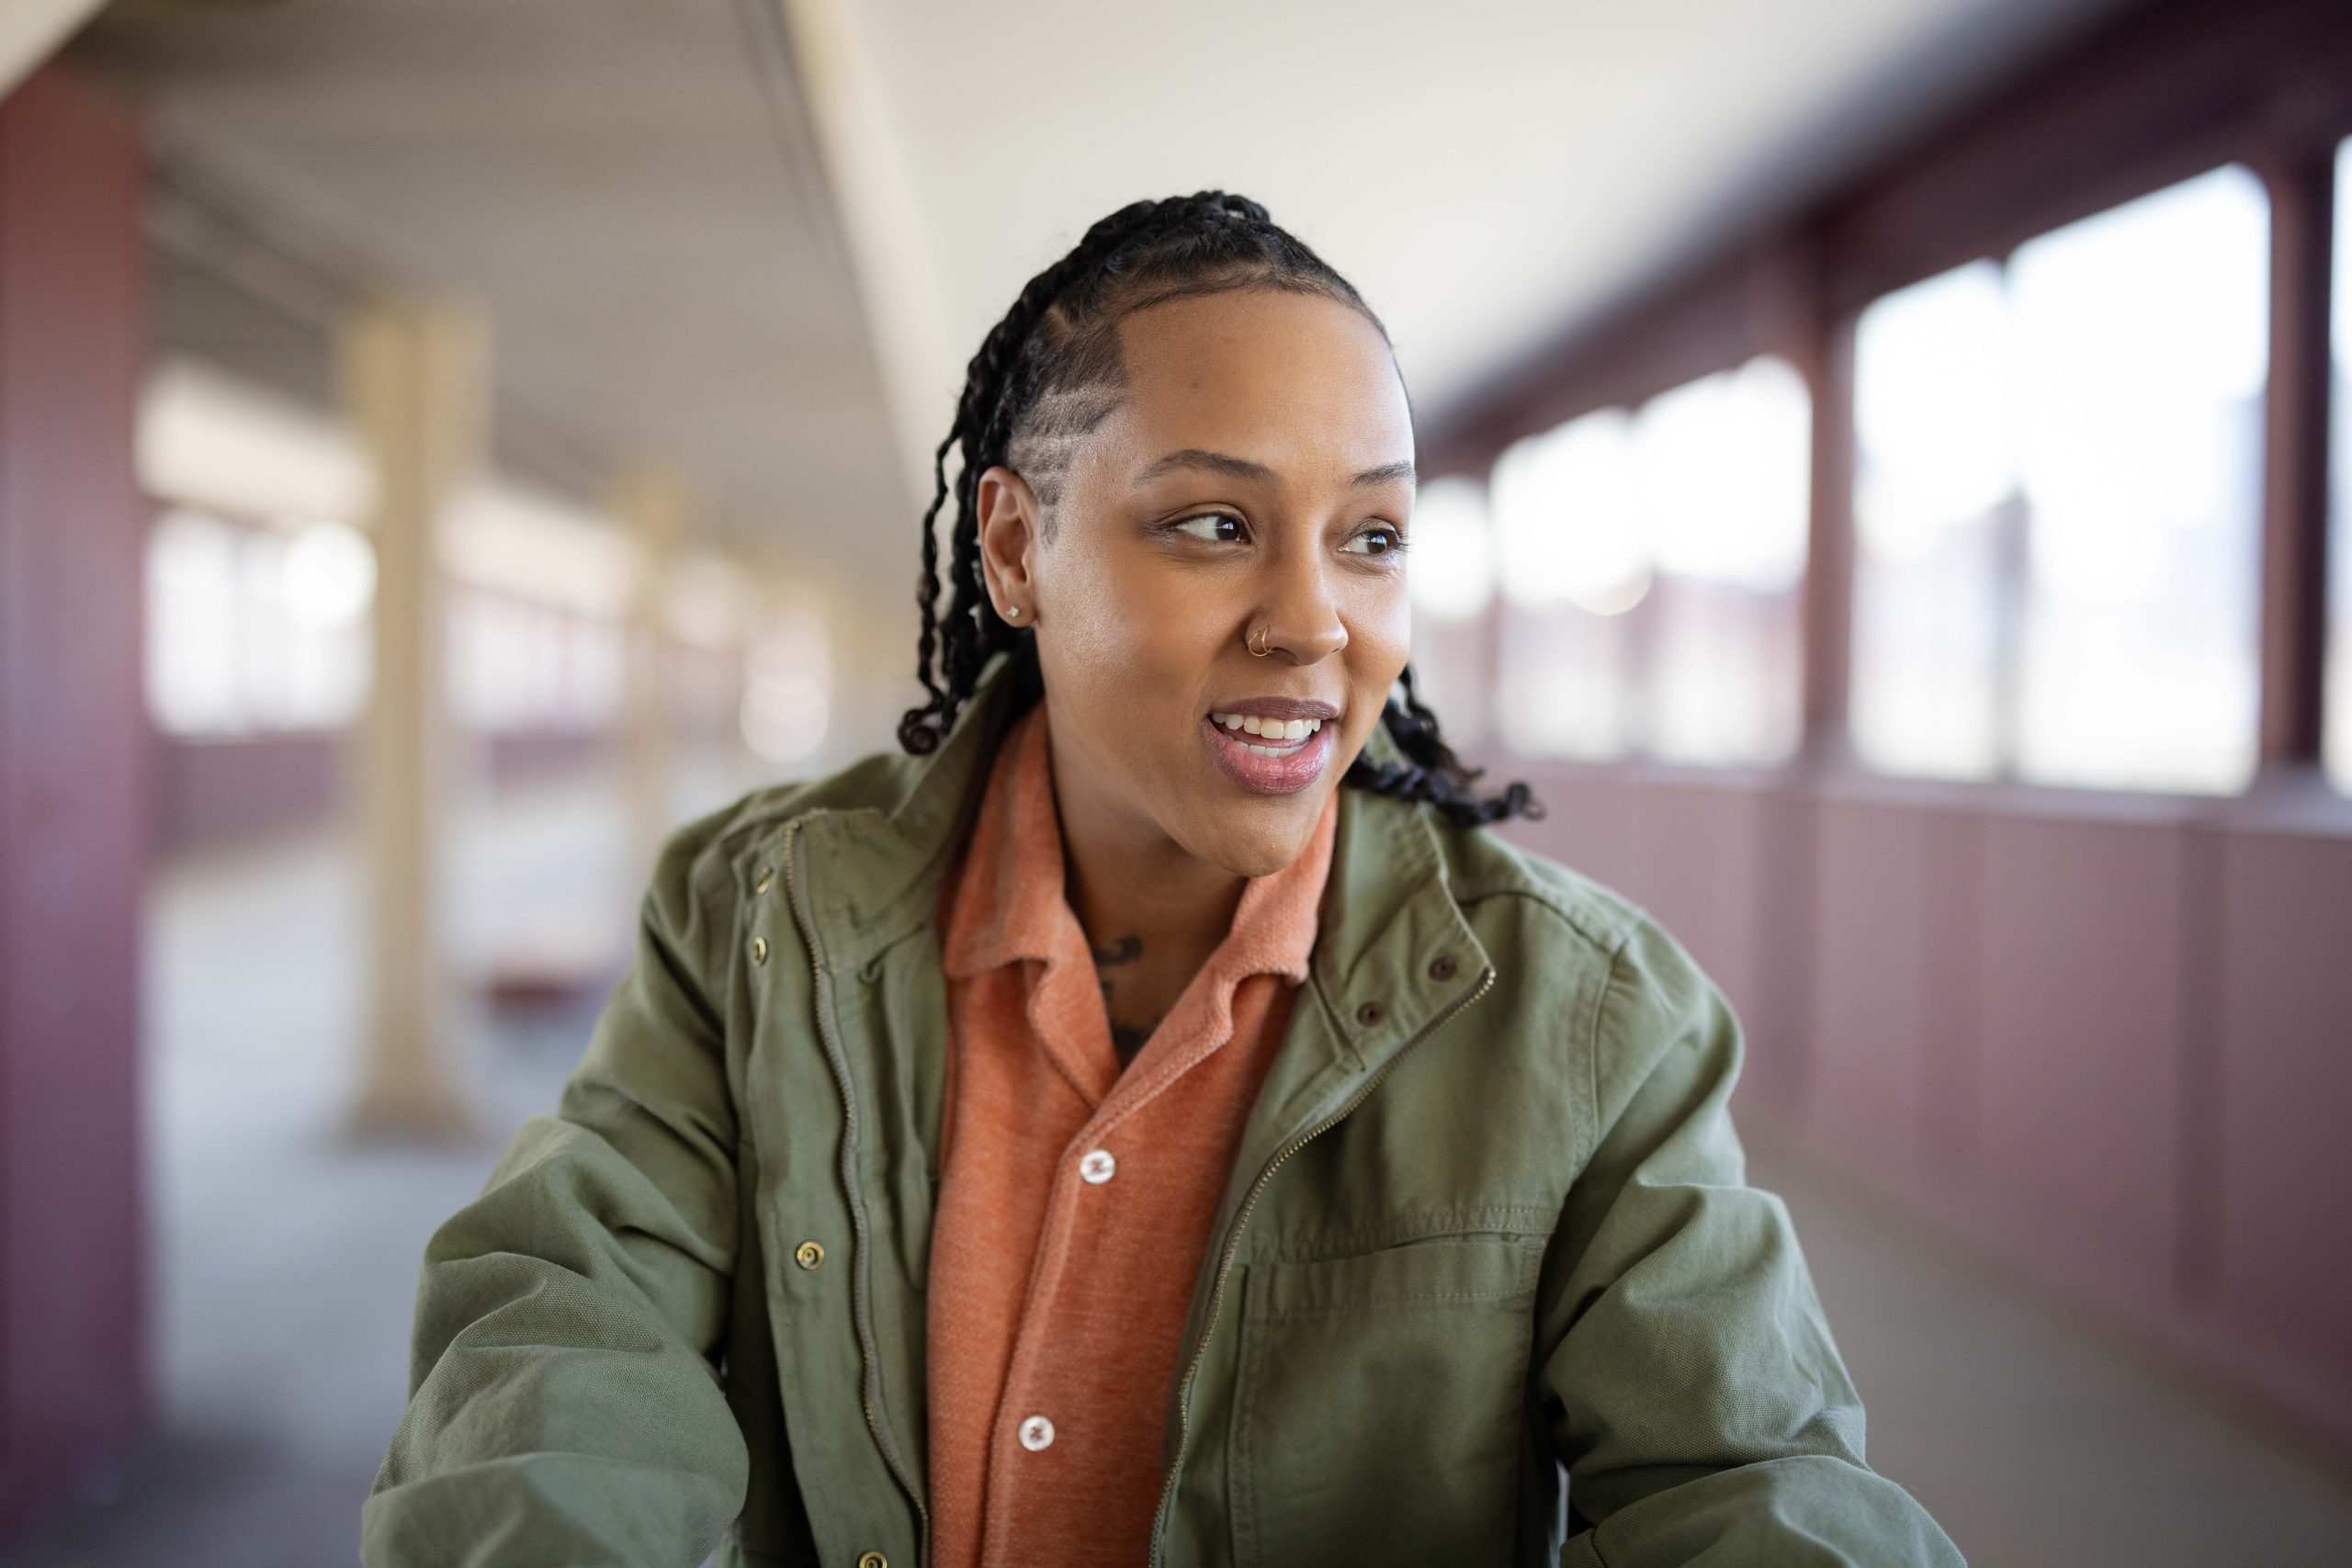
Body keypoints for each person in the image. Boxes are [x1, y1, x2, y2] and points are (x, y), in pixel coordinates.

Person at [361, 191, 1962, 1568]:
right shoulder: (759, 917)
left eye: (1374, 537)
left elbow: (1748, 1478)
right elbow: (565, 1334)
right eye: (1212, 523)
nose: (1313, 621)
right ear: (1011, 551)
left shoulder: (1590, 1020)